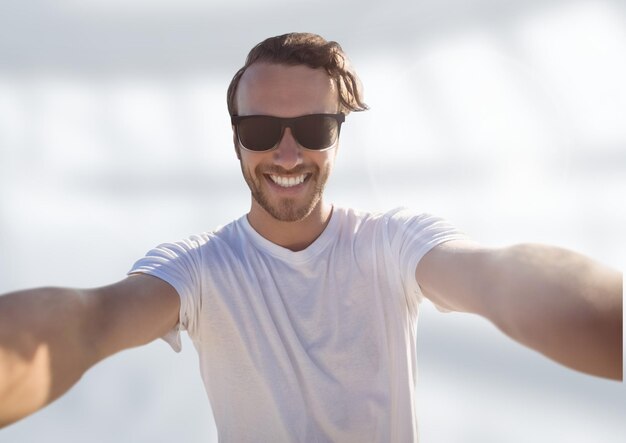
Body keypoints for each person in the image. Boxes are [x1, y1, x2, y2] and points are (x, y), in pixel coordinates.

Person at [0, 32, 622, 441]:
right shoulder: (196, 269)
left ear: (339, 135)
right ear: (237, 138)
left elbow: (500, 278)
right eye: (263, 127)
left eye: (315, 127)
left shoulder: (392, 242)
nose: (288, 151)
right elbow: (89, 322)